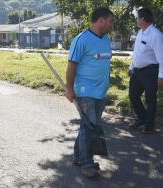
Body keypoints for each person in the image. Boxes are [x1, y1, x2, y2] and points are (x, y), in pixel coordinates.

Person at [65, 7, 114, 178]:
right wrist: (69, 88)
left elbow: (105, 63)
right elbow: (72, 65)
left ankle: (79, 157)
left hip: (100, 91)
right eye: (110, 21)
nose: (111, 25)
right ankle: (87, 164)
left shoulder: (107, 39)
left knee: (88, 125)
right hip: (85, 90)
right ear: (100, 20)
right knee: (89, 126)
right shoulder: (82, 39)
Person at [128, 8, 163, 134]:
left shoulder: (156, 35)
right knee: (133, 95)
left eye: (137, 18)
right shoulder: (140, 32)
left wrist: (161, 76)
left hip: (150, 71)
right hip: (137, 71)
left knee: (150, 99)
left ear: (142, 19)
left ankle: (149, 125)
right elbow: (136, 52)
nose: (136, 20)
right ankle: (142, 118)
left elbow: (161, 57)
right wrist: (131, 67)